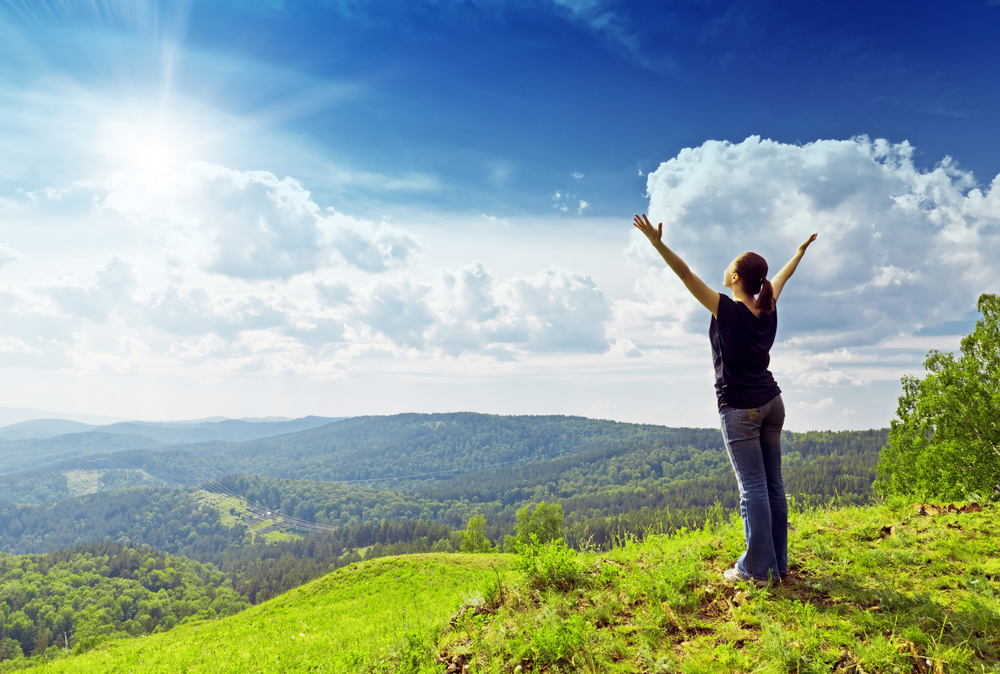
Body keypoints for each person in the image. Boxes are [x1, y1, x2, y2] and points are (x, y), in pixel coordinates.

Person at [633, 213, 817, 584]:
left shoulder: (726, 308)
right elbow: (782, 277)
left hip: (741, 409)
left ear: (736, 277)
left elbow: (685, 275)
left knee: (753, 489)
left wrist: (656, 243)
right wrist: (798, 253)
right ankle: (777, 565)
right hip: (772, 403)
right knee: (773, 486)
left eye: (730, 266)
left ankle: (756, 570)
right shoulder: (768, 304)